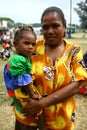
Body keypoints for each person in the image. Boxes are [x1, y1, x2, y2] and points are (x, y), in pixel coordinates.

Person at [20, 6, 87, 130]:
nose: (50, 31)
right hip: (33, 120)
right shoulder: (33, 50)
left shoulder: (74, 51)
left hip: (62, 119)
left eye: (55, 26)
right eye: (45, 27)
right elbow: (23, 80)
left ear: (64, 25)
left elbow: (77, 84)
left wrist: (42, 103)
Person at [3, 26, 46, 130]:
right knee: (38, 109)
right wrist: (32, 93)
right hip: (22, 88)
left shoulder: (23, 56)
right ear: (16, 44)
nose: (31, 47)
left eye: (33, 44)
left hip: (19, 89)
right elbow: (23, 80)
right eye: (26, 43)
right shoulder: (18, 60)